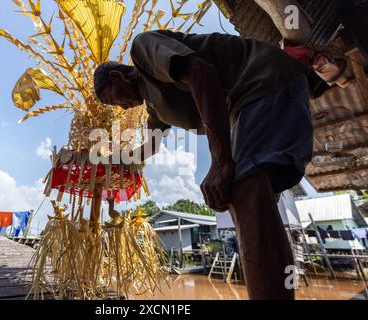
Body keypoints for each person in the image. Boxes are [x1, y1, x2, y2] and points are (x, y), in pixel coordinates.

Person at [93, 30, 313, 300]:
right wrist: (115, 161)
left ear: (117, 76)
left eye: (113, 99)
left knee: (242, 188)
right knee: (250, 202)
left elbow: (200, 72)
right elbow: (149, 147)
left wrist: (221, 161)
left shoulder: (143, 49)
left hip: (260, 80)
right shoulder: (154, 107)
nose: (121, 108)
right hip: (248, 107)